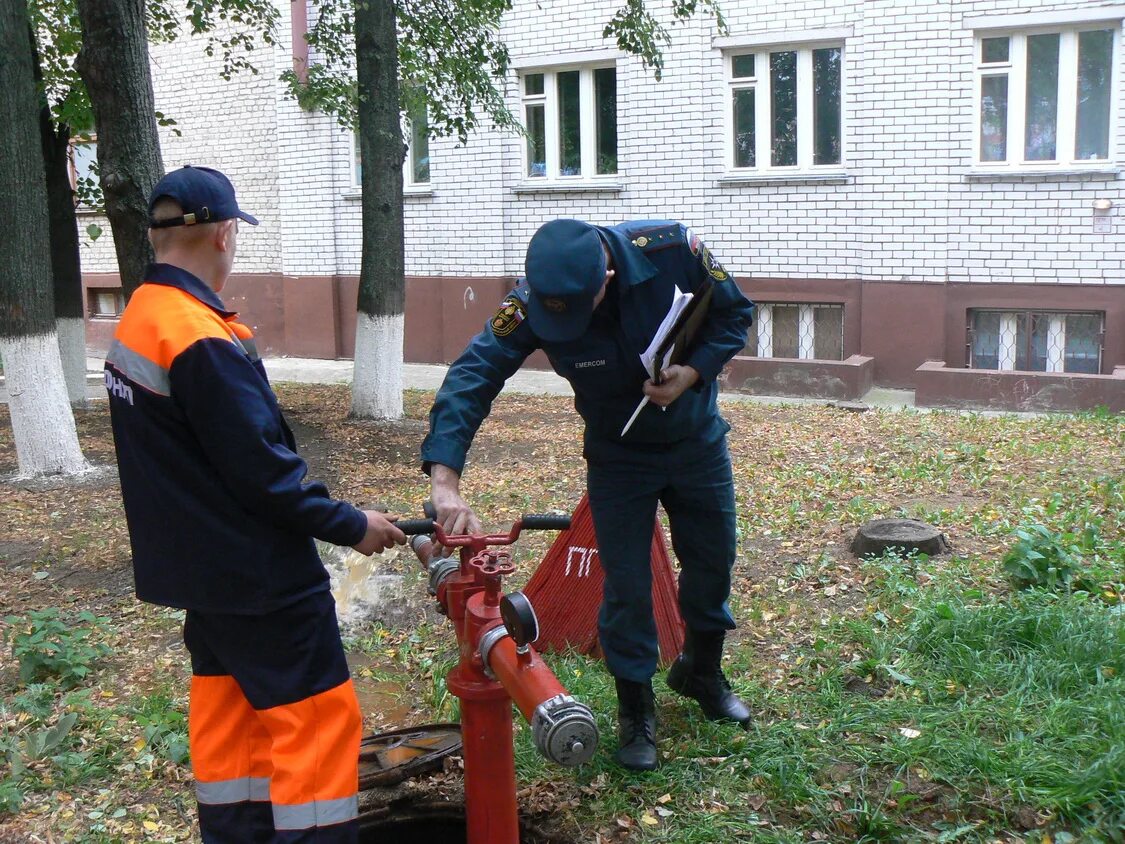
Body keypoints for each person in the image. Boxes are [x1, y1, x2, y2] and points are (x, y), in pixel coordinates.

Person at [104, 165, 405, 842]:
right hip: (260, 578)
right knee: (317, 726)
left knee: (231, 722)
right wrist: (351, 524)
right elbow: (263, 475)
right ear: (224, 233)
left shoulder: (141, 316)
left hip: (201, 576)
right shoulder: (199, 336)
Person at [420, 218, 755, 771]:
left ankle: (701, 671)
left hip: (696, 441)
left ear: (606, 273)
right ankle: (635, 710)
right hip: (618, 456)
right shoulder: (534, 301)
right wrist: (444, 477)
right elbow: (475, 371)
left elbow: (734, 313)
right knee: (625, 582)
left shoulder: (672, 251)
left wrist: (692, 372)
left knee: (713, 560)